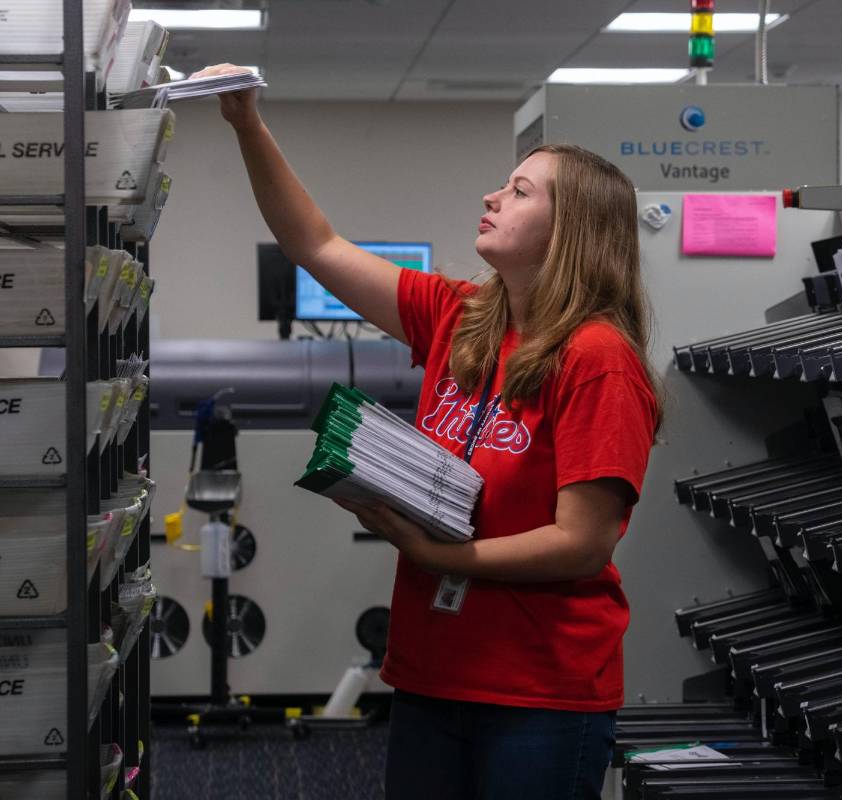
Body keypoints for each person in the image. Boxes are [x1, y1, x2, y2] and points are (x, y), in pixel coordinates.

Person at [193, 65, 661, 799]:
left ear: (569, 231)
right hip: (434, 671)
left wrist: (440, 551)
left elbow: (584, 542)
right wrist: (246, 123)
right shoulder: (463, 316)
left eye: (519, 191)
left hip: (539, 690)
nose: (491, 197)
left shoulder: (599, 359)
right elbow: (315, 245)